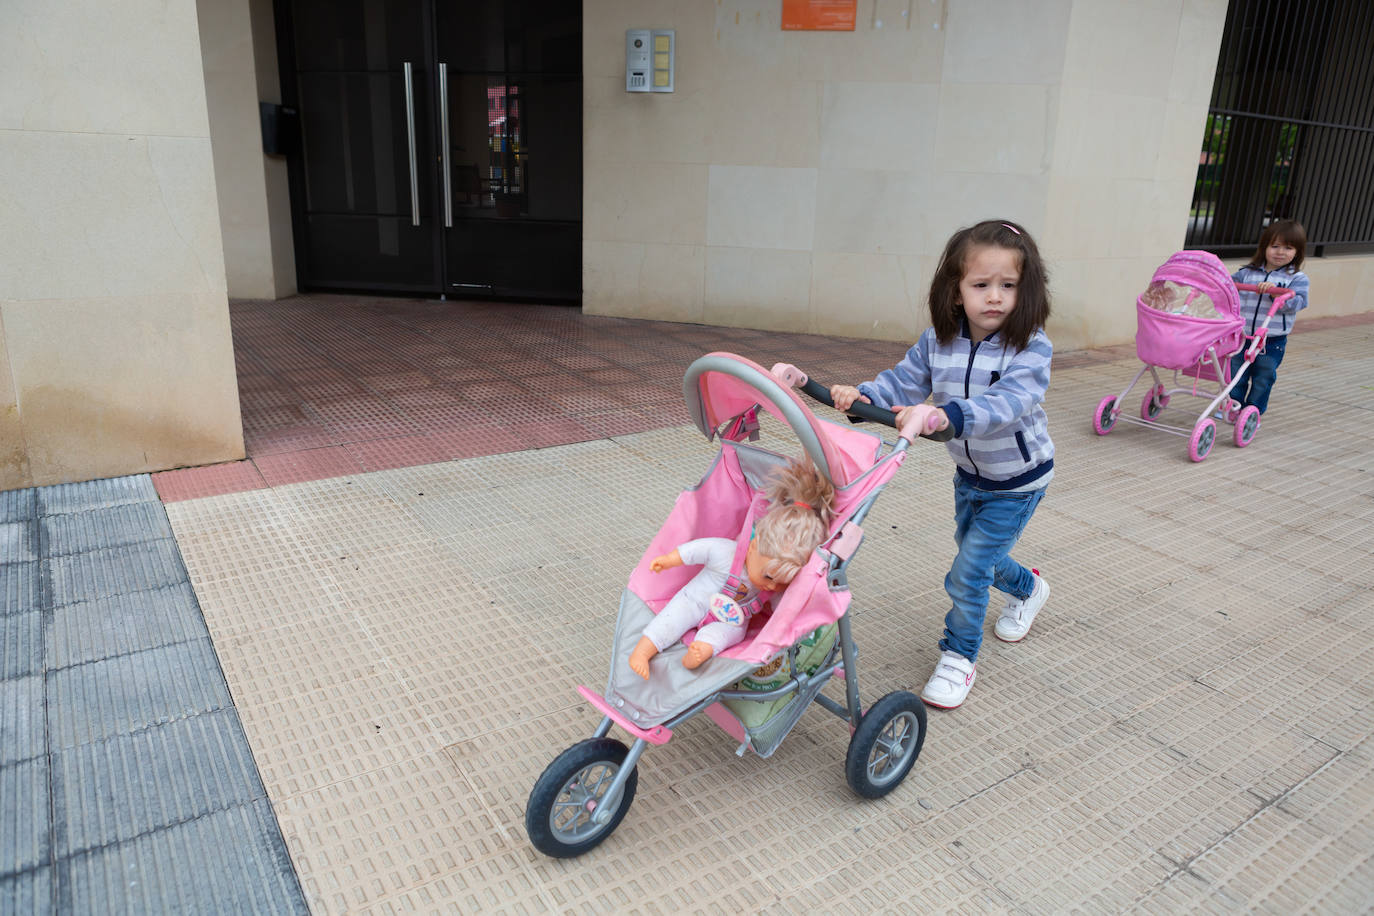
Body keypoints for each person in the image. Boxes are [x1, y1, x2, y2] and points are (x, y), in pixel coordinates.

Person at [830, 219, 1054, 710]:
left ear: (1027, 291)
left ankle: (959, 657)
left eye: (1008, 285)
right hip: (971, 477)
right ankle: (1030, 588)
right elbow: (903, 383)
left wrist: (945, 415)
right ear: (956, 292)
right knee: (980, 559)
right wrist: (862, 396)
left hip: (1018, 480)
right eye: (981, 285)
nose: (994, 296)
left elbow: (1007, 403)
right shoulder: (939, 341)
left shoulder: (1031, 348)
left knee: (968, 571)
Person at [628, 457, 835, 679]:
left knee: (728, 634)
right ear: (753, 546)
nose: (772, 585)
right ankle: (643, 651)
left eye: (781, 582)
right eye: (768, 576)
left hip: (731, 620)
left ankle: (702, 649)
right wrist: (670, 559)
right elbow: (700, 549)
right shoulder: (728, 553)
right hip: (696, 600)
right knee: (672, 618)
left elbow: (783, 610)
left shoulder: (774, 586)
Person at [1228, 219, 1310, 415]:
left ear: (1297, 252)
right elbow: (1227, 288)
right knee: (1235, 375)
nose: (1280, 252)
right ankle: (1234, 405)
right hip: (1243, 336)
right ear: (1264, 247)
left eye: (1288, 248)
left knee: (1263, 377)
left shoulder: (1296, 278)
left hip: (1271, 340)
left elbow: (1300, 303)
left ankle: (1254, 410)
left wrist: (1278, 294)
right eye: (1275, 246)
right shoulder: (1247, 273)